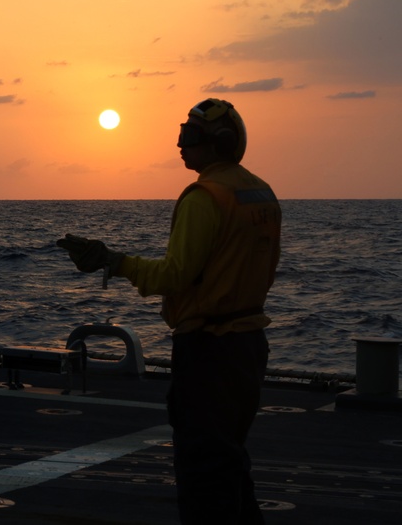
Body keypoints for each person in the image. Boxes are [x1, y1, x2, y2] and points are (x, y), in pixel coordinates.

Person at [57, 98, 281, 524]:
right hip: (249, 346)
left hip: (209, 350)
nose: (180, 146)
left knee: (203, 475)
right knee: (230, 464)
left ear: (220, 143)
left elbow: (175, 276)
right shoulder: (260, 193)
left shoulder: (204, 198)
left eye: (190, 138)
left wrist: (114, 261)